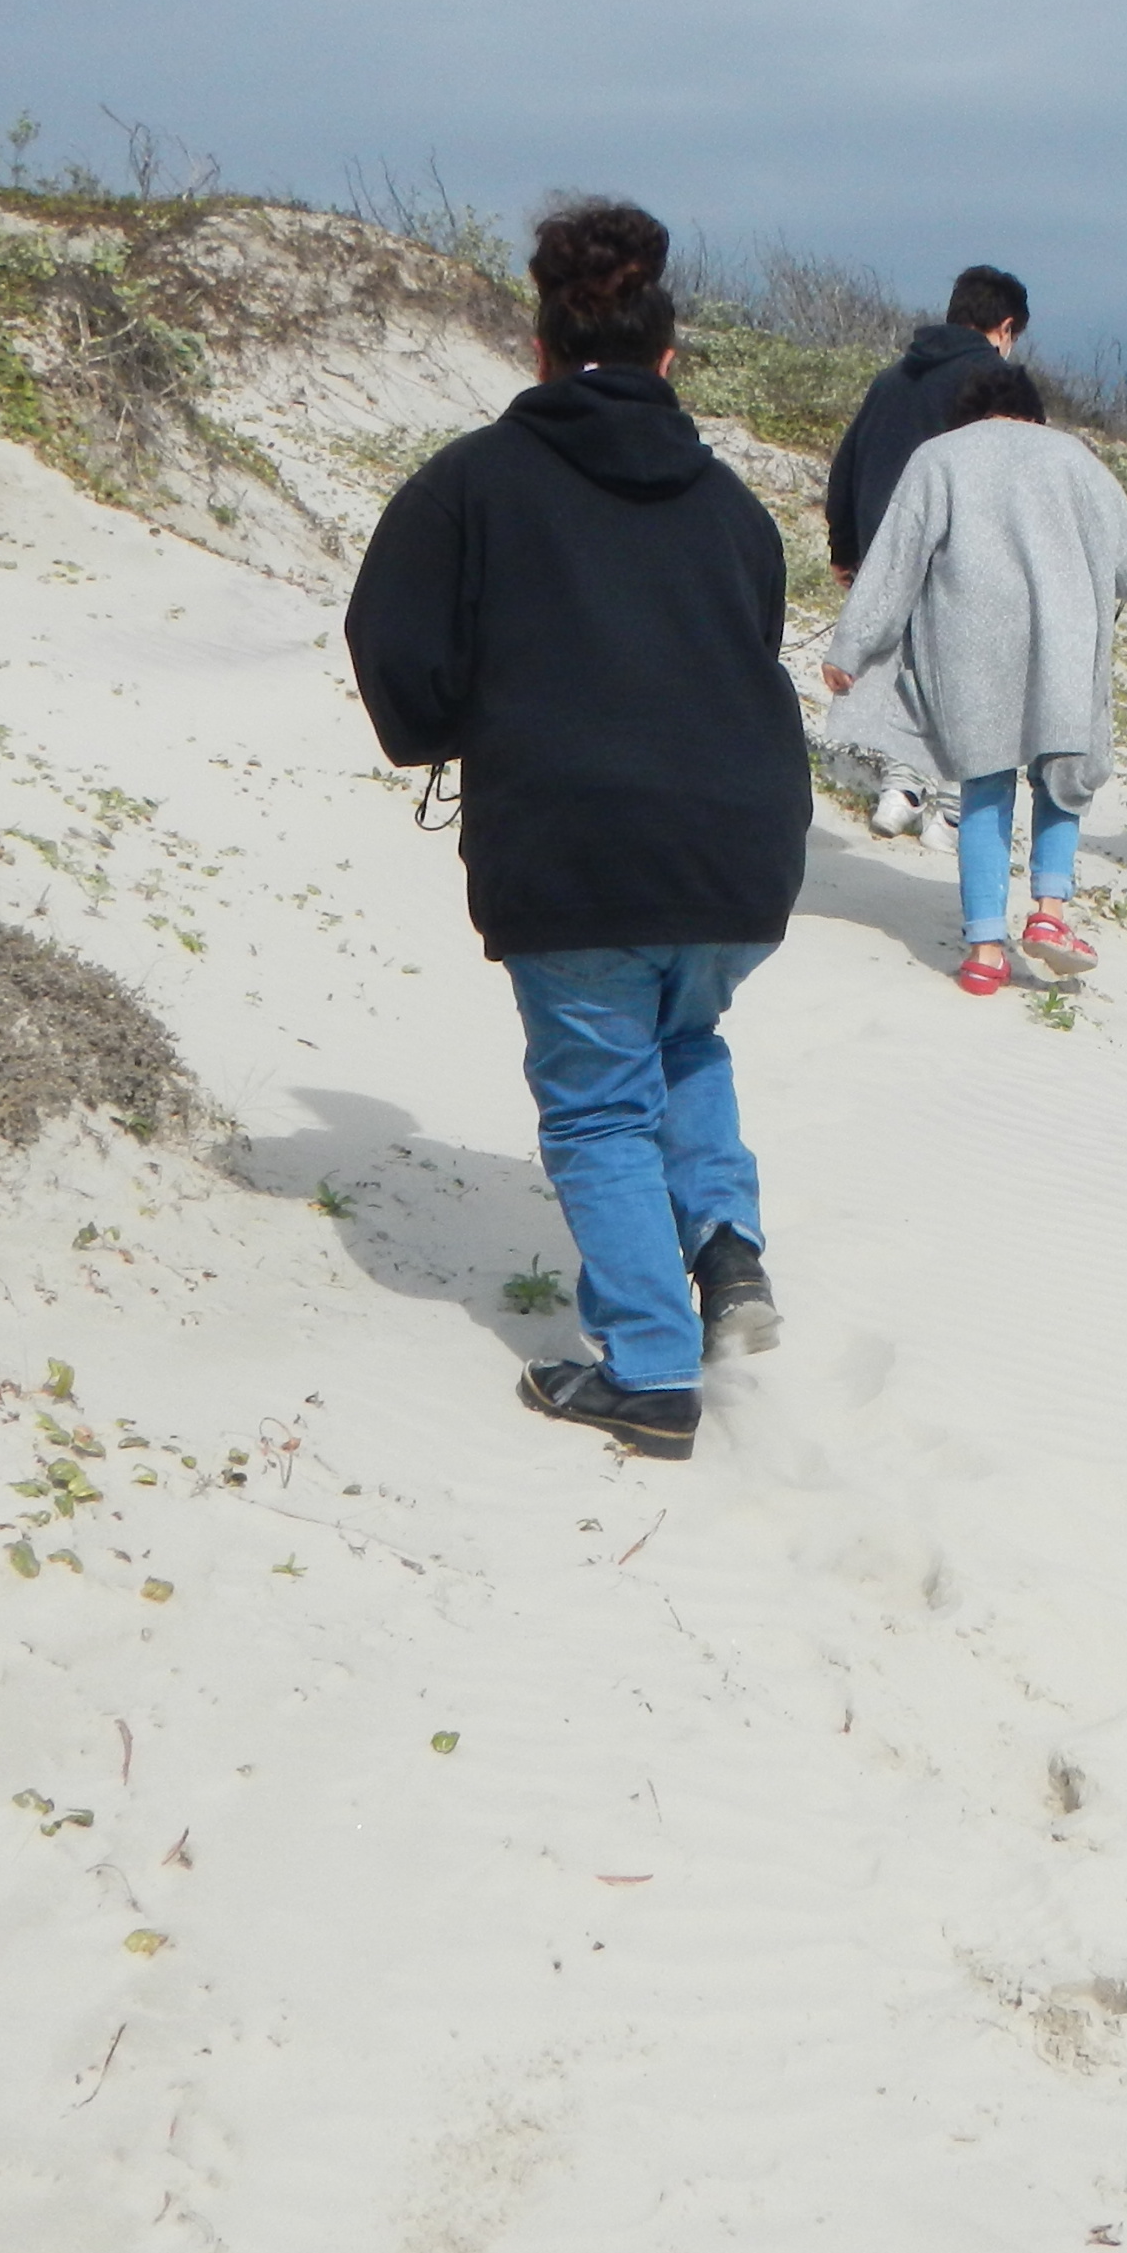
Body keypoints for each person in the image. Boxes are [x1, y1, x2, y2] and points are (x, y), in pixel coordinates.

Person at [343, 198, 811, 1463]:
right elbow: (748, 646)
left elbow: (394, 651)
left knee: (600, 1103)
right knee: (685, 1037)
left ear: (539, 350)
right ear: (669, 359)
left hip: (577, 841)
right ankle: (721, 1242)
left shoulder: (472, 482)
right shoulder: (729, 505)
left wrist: (452, 723)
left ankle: (653, 1374)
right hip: (741, 844)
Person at [820, 363, 1127, 993]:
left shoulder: (939, 457)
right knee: (1064, 777)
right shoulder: (1073, 457)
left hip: (970, 649)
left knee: (983, 786)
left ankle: (984, 950)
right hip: (1062, 645)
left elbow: (894, 564)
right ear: (1032, 413)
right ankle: (1049, 914)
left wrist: (850, 646)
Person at [823, 265, 1033, 843]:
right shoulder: (998, 381)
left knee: (906, 669)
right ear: (1005, 326)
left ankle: (900, 787)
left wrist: (847, 548)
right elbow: (1019, 471)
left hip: (881, 548)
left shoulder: (892, 379)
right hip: (962, 551)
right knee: (967, 678)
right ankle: (946, 806)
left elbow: (848, 463)